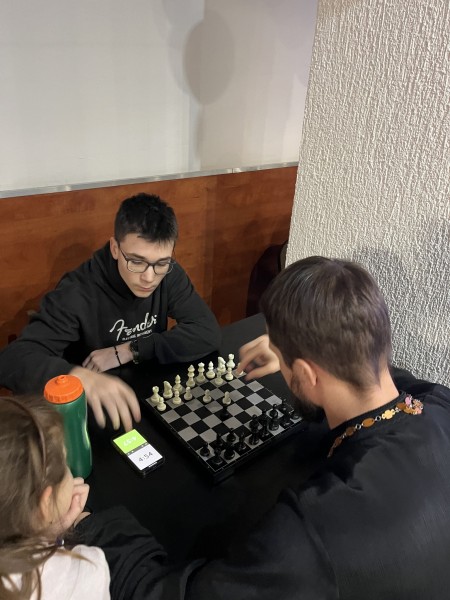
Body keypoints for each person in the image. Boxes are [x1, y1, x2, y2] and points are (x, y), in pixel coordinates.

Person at [75, 256, 450, 599]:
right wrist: (301, 349)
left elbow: (173, 595)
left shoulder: (308, 532)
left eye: (287, 364)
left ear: (307, 374)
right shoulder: (439, 404)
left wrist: (94, 527)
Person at [0, 193, 221, 431]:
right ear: (115, 248)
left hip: (147, 399)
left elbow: (207, 331)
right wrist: (80, 378)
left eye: (161, 263)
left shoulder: (168, 273)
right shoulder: (77, 291)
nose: (149, 277)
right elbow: (13, 359)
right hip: (90, 414)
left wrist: (132, 349)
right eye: (136, 261)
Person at [0, 395, 110, 600]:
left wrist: (44, 532)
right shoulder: (86, 571)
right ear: (45, 502)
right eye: (65, 463)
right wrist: (58, 539)